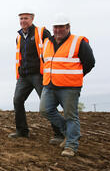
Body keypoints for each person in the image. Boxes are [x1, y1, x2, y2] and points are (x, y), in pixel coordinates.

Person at [40, 14, 95, 157]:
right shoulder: (47, 42)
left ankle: (71, 145)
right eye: (55, 27)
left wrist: (74, 76)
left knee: (71, 115)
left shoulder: (78, 42)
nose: (58, 30)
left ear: (68, 27)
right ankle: (70, 132)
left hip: (70, 87)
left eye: (61, 27)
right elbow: (45, 61)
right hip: (49, 85)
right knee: (45, 110)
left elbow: (89, 62)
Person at [9, 9, 64, 144]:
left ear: (32, 19)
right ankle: (22, 131)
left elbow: (53, 47)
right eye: (21, 19)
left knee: (47, 104)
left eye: (26, 18)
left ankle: (59, 133)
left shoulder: (41, 32)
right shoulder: (19, 37)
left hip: (39, 75)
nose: (23, 21)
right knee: (17, 100)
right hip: (24, 76)